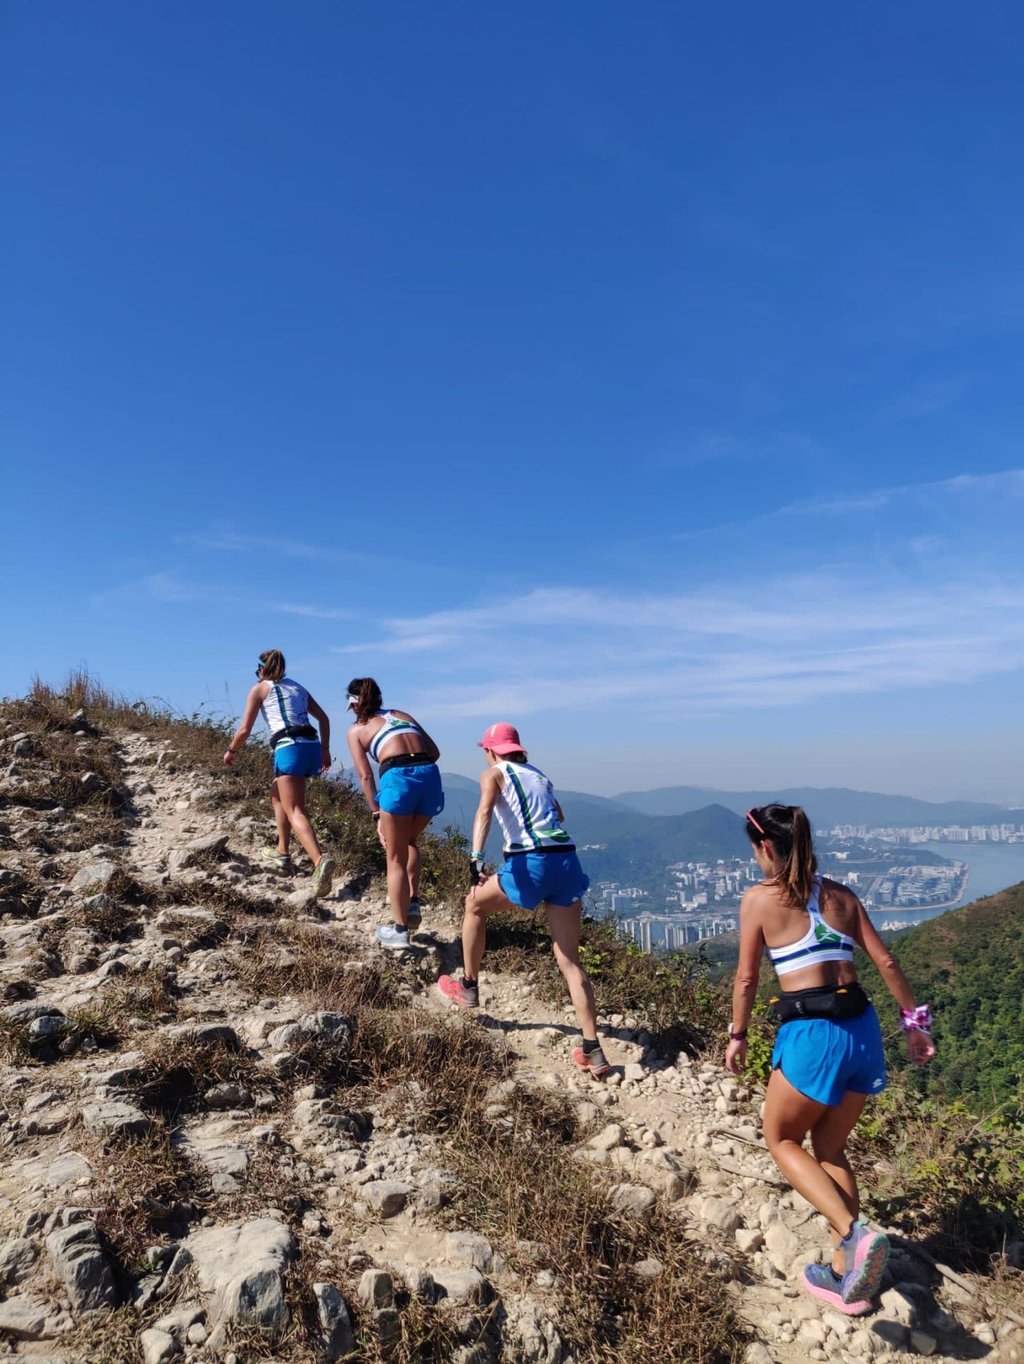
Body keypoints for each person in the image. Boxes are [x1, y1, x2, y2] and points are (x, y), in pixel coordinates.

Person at [726, 804, 935, 1315]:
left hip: (812, 1033)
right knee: (831, 1149)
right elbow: (885, 961)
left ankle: (852, 1234)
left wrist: (738, 1034)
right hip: (862, 1029)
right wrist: (915, 1026)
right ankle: (848, 1278)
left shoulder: (759, 900)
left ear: (767, 848)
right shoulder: (841, 895)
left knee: (781, 1138)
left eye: (755, 850)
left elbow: (748, 979)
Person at [436, 722, 611, 1079]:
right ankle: (593, 1050)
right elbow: (558, 815)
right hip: (566, 858)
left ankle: (468, 986)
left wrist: (475, 857)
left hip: (532, 861)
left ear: (490, 750)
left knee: (473, 905)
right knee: (569, 960)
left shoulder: (493, 774)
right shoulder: (539, 775)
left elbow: (484, 812)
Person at [222, 649, 335, 897]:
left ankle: (319, 861)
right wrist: (325, 750)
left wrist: (231, 751)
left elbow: (244, 730)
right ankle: (282, 852)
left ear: (262, 669)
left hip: (288, 747)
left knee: (296, 810)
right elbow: (324, 719)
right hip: (311, 745)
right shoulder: (298, 688)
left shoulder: (260, 688)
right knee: (277, 794)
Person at [345, 677, 444, 949]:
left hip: (398, 779)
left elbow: (365, 776)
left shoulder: (356, 730)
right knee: (408, 842)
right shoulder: (402, 714)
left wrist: (376, 813)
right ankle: (413, 903)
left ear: (354, 703)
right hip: (429, 776)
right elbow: (434, 752)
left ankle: (400, 930)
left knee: (394, 856)